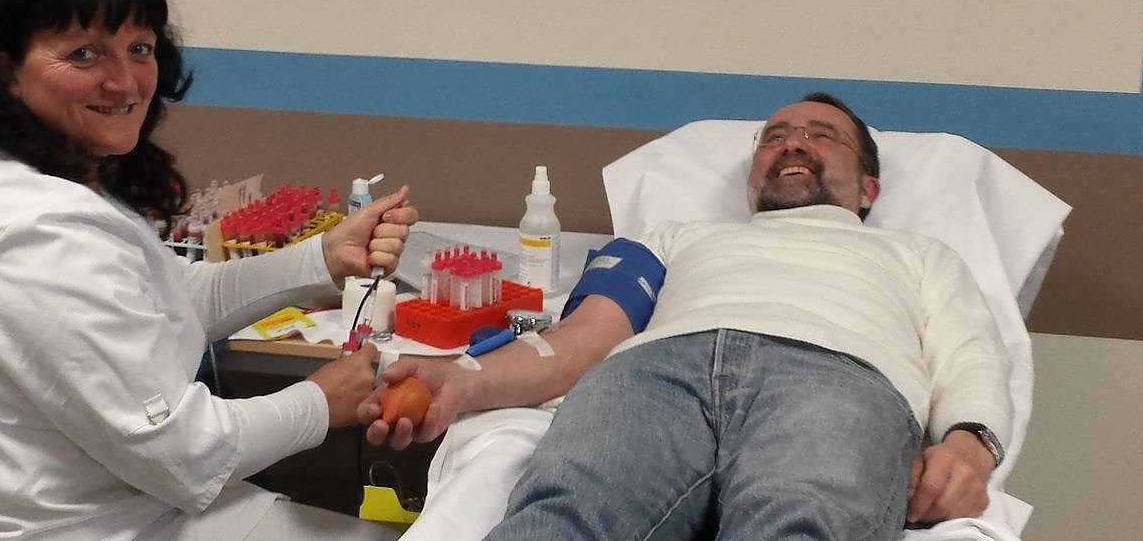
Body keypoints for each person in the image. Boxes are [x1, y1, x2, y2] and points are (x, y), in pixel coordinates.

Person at [0, 0, 416, 540]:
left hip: (110, 498)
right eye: (84, 54)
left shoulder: (32, 168)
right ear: (5, 70)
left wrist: (323, 257)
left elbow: (174, 298)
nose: (125, 83)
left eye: (139, 49)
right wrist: (320, 401)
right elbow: (185, 453)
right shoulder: (34, 233)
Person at [359, 93, 1010, 539]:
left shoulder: (918, 253)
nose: (794, 142)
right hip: (655, 375)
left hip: (837, 377)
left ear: (869, 188)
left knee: (801, 520)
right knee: (565, 516)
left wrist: (968, 446)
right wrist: (465, 381)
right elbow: (583, 337)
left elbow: (971, 352)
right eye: (775, 137)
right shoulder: (675, 237)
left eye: (822, 135)